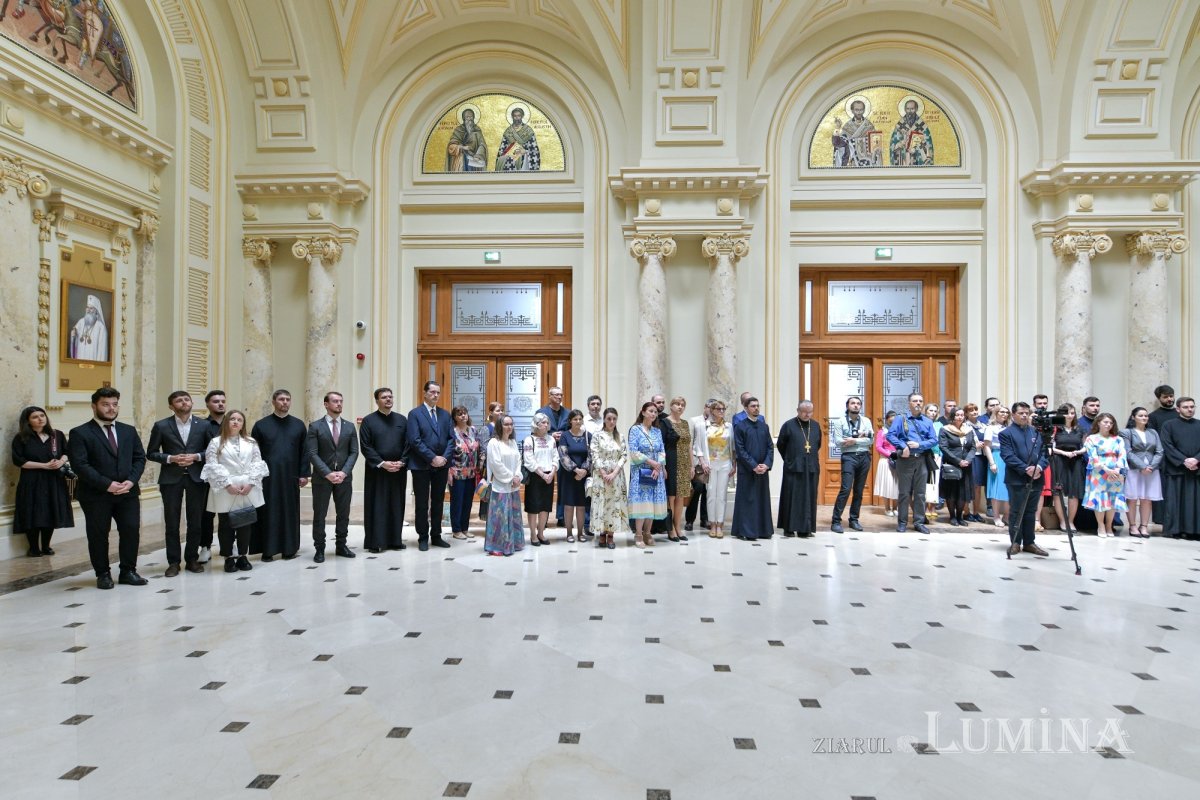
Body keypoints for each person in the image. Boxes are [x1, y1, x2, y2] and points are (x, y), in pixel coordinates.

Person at [67, 387, 147, 589]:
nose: (111, 408)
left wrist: (131, 481)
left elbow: (139, 458)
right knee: (98, 535)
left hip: (127, 492)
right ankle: (102, 573)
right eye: (105, 404)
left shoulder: (128, 430)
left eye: (114, 404)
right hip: (96, 494)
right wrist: (107, 484)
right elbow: (80, 465)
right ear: (94, 406)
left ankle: (128, 571)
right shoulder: (80, 433)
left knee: (130, 530)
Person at [145, 390, 213, 576]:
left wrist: (198, 456)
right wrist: (170, 458)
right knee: (172, 522)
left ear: (191, 402)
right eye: (179, 400)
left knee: (196, 521)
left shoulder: (204, 424)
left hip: (196, 478)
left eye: (186, 399)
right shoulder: (161, 425)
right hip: (171, 479)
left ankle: (191, 559)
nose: (184, 402)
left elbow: (213, 451)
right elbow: (151, 453)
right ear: (171, 406)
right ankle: (173, 562)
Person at [201, 410, 269, 573]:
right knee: (226, 524)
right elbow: (212, 465)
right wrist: (227, 484)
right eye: (232, 419)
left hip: (246, 487)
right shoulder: (216, 442)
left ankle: (242, 556)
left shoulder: (251, 442)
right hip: (226, 488)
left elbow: (257, 464)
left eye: (239, 420)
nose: (236, 422)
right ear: (226, 422)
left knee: (245, 522)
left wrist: (251, 484)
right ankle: (228, 557)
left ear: (243, 424)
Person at [250, 390, 311, 560]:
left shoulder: (298, 425)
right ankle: (268, 550)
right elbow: (255, 453)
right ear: (274, 402)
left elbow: (304, 452)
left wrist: (304, 474)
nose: (285, 402)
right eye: (281, 399)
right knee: (268, 512)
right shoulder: (261, 425)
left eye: (288, 399)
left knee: (290, 512)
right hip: (267, 478)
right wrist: (255, 476)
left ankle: (289, 549)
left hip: (291, 476)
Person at [11, 406, 74, 557]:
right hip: (32, 480)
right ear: (27, 421)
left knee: (50, 510)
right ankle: (33, 547)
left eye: (42, 415)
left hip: (53, 480)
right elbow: (19, 461)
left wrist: (60, 462)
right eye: (35, 417)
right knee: (32, 512)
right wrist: (43, 465)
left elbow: (67, 452)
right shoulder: (21, 438)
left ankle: (46, 545)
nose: (40, 419)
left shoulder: (56, 435)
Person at [306, 392, 359, 562]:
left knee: (343, 513)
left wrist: (344, 472)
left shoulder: (350, 427)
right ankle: (319, 548)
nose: (339, 404)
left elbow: (354, 452)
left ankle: (341, 545)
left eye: (341, 401)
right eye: (335, 401)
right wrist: (328, 474)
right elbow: (312, 454)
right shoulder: (315, 427)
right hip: (322, 479)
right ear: (326, 404)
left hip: (344, 478)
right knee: (320, 514)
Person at [407, 381, 455, 550]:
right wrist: (432, 457)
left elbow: (451, 439)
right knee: (421, 503)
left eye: (438, 392)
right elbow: (414, 440)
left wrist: (443, 458)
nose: (435, 395)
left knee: (438, 502)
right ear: (425, 393)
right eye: (432, 392)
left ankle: (436, 535)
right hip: (421, 465)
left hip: (441, 465)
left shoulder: (445, 414)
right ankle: (422, 537)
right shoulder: (415, 414)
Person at [360, 387, 408, 553]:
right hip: (377, 472)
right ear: (377, 401)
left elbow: (408, 445)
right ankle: (376, 542)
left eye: (390, 396)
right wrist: (382, 463)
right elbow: (365, 447)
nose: (388, 399)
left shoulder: (402, 420)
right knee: (377, 505)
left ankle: (395, 540)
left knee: (396, 504)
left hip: (398, 471)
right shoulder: (368, 421)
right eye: (384, 397)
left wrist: (402, 462)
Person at [999, 402, 1049, 556]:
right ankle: (1015, 542)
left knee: (1030, 511)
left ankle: (1029, 542)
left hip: (1037, 477)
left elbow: (1045, 454)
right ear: (1013, 414)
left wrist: (1039, 468)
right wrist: (1026, 469)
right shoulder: (1006, 433)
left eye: (1027, 413)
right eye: (1021, 413)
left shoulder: (1037, 432)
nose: (1025, 415)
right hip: (1017, 478)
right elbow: (1008, 456)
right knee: (1017, 511)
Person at [886, 393, 937, 534]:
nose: (918, 403)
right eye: (915, 401)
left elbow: (933, 440)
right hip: (905, 460)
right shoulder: (900, 419)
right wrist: (903, 446)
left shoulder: (927, 421)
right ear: (909, 403)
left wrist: (919, 444)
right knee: (904, 493)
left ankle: (919, 522)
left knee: (920, 493)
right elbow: (890, 435)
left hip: (922, 459)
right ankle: (902, 522)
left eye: (920, 401)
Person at [731, 397, 774, 540]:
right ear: (746, 408)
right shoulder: (741, 426)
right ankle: (747, 531)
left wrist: (766, 464)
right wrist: (754, 465)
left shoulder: (764, 426)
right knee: (748, 500)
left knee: (762, 500)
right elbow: (740, 450)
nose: (756, 408)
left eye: (757, 406)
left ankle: (763, 530)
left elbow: (770, 447)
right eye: (753, 406)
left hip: (762, 470)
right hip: (747, 470)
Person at [777, 400, 821, 538]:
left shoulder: (815, 426)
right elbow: (780, 444)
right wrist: (790, 459)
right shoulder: (789, 425)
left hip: (811, 467)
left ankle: (805, 528)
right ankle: (788, 527)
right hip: (793, 467)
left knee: (809, 498)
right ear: (798, 410)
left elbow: (817, 444)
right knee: (791, 497)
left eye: (810, 412)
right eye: (804, 411)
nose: (807, 414)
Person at [484, 415, 525, 556]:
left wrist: (518, 476)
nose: (509, 427)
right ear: (500, 426)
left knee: (513, 516)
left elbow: (519, 460)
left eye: (511, 424)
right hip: (500, 486)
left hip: (513, 486)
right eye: (506, 424)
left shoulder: (513, 442)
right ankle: (498, 546)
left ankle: (514, 543)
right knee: (500, 518)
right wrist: (510, 477)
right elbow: (496, 464)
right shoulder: (493, 443)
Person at [830, 396, 873, 533]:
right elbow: (837, 441)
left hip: (864, 457)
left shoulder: (866, 421)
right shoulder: (840, 422)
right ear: (847, 406)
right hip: (848, 457)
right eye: (853, 403)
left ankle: (854, 519)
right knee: (846, 489)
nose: (855, 405)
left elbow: (871, 440)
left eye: (858, 403)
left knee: (859, 490)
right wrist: (861, 438)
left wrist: (854, 441)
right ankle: (836, 521)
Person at [588, 407, 628, 550]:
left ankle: (611, 534)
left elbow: (624, 456)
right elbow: (594, 455)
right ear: (604, 419)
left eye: (614, 419)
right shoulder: (597, 436)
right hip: (601, 476)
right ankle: (602, 533)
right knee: (602, 504)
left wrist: (614, 473)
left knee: (614, 506)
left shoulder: (620, 436)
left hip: (616, 477)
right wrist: (604, 473)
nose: (611, 421)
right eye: (609, 418)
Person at [628, 402, 667, 547]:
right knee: (642, 503)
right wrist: (651, 462)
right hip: (641, 471)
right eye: (651, 411)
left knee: (653, 503)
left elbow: (662, 450)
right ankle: (638, 534)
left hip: (656, 472)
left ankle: (647, 532)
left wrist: (658, 467)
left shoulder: (657, 431)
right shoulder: (635, 430)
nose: (653, 414)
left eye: (655, 412)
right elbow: (633, 452)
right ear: (643, 412)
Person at [1083, 412, 1128, 537]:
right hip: (1099, 472)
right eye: (1106, 422)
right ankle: (1100, 525)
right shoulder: (1091, 438)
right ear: (1098, 423)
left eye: (1111, 422)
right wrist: (1106, 469)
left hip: (1116, 472)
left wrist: (1118, 470)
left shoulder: (1118, 439)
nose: (1108, 425)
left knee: (1112, 499)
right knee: (1100, 499)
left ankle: (1109, 525)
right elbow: (1093, 457)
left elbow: (1122, 455)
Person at [1161, 397, 1200, 540]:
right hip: (1176, 468)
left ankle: (1194, 530)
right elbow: (1167, 445)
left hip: (1196, 469)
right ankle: (1175, 530)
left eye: (1192, 406)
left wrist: (1197, 459)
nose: (1190, 409)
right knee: (1175, 502)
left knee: (1195, 502)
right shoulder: (1169, 425)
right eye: (1186, 407)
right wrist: (1184, 460)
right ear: (1178, 409)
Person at [1120, 407, 1162, 539]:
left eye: (1146, 416)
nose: (1144, 418)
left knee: (1147, 498)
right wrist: (1142, 466)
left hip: (1151, 469)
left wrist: (1151, 466)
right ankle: (1132, 525)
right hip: (1134, 468)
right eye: (1141, 416)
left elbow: (1159, 451)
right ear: (1133, 417)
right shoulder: (1126, 432)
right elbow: (1128, 451)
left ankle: (1143, 526)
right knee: (1132, 498)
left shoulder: (1153, 432)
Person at [695, 400, 733, 538]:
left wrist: (734, 464)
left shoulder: (729, 426)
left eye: (723, 409)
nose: (721, 411)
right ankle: (712, 524)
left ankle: (720, 524)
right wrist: (702, 462)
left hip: (725, 463)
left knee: (722, 495)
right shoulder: (703, 426)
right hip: (710, 464)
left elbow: (732, 447)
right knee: (711, 494)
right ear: (712, 410)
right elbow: (697, 447)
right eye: (718, 409)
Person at [198, 389, 226, 563]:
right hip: (208, 476)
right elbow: (198, 449)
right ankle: (205, 547)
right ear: (208, 405)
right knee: (206, 514)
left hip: (229, 475)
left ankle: (229, 544)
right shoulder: (201, 426)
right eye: (216, 401)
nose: (220, 404)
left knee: (228, 513)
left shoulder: (233, 423)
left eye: (223, 401)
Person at [1048, 403, 1086, 532]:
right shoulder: (1055, 428)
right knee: (1058, 491)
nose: (1069, 416)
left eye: (1072, 413)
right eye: (1066, 413)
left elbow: (1086, 446)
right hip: (1059, 460)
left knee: (1074, 492)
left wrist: (1078, 452)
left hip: (1076, 461)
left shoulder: (1079, 429)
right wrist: (1064, 453)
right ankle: (1063, 521)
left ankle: (1071, 521)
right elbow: (1051, 446)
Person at [523, 412, 559, 546]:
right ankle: (533, 535)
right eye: (543, 422)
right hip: (535, 476)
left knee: (545, 506)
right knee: (533, 507)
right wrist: (543, 474)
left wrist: (552, 473)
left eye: (547, 422)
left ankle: (541, 533)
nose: (546, 425)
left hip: (550, 476)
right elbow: (529, 460)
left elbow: (556, 457)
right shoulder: (529, 439)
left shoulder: (551, 439)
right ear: (536, 425)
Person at [557, 409, 591, 543]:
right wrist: (576, 470)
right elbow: (563, 455)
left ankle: (581, 533)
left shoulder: (588, 435)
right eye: (575, 419)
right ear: (570, 421)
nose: (578, 421)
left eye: (580, 419)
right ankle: (569, 533)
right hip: (568, 475)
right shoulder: (565, 435)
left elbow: (591, 455)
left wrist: (583, 470)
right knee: (569, 505)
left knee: (582, 506)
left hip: (584, 476)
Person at [538, 387, 570, 527]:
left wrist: (564, 435)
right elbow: (534, 430)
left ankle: (561, 516)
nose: (559, 397)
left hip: (564, 452)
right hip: (546, 451)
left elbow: (572, 429)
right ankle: (542, 519)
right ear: (549, 396)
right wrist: (551, 436)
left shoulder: (568, 413)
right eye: (556, 395)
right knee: (544, 484)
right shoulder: (541, 412)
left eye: (561, 394)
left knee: (564, 485)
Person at [448, 406, 481, 541]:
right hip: (457, 472)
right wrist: (448, 470)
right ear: (454, 417)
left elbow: (479, 449)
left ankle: (465, 528)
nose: (463, 416)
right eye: (459, 414)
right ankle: (456, 529)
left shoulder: (473, 430)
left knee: (468, 502)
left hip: (471, 472)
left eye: (465, 413)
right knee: (457, 501)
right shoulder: (452, 432)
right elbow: (449, 451)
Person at [938, 408, 975, 526]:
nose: (960, 417)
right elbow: (943, 447)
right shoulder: (945, 430)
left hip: (966, 466)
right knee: (952, 492)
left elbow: (973, 447)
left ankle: (960, 516)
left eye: (962, 415)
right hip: (952, 464)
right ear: (953, 416)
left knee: (963, 492)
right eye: (957, 415)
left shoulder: (968, 430)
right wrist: (958, 461)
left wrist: (968, 460)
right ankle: (952, 516)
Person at [664, 396, 693, 542]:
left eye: (682, 404)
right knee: (672, 496)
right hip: (671, 461)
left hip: (684, 463)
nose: (680, 407)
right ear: (671, 406)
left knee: (681, 496)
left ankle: (678, 526)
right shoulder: (665, 422)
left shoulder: (685, 423)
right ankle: (670, 529)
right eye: (677, 404)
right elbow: (662, 445)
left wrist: (691, 465)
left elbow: (689, 445)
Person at [684, 399, 713, 532]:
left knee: (708, 492)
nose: (711, 410)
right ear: (705, 407)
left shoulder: (716, 423)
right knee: (697, 490)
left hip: (712, 462)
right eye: (709, 407)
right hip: (697, 462)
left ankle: (705, 519)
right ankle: (689, 520)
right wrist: (692, 463)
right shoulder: (695, 421)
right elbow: (690, 443)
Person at [476, 402, 504, 522]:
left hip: (503, 464)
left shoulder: (503, 426)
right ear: (491, 413)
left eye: (501, 410)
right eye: (498, 410)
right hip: (490, 467)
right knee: (491, 492)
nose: (501, 412)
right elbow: (484, 448)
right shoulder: (486, 428)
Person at [984, 406, 1011, 529]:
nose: (1004, 414)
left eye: (1006, 412)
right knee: (996, 488)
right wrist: (992, 462)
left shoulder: (1010, 427)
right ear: (996, 413)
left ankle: (1006, 515)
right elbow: (987, 446)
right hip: (997, 456)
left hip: (1009, 458)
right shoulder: (990, 428)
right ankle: (996, 516)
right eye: (1002, 412)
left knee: (1008, 488)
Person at [832, 97, 880, 167]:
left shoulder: (869, 125)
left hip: (868, 162)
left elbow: (875, 143)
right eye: (856, 110)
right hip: (853, 161)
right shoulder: (847, 126)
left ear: (864, 110)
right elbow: (838, 143)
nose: (859, 112)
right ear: (852, 111)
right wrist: (837, 128)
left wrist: (877, 150)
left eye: (861, 110)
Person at [890, 97, 934, 166]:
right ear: (905, 109)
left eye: (912, 109)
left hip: (918, 159)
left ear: (916, 109)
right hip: (904, 160)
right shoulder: (900, 125)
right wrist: (900, 144)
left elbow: (928, 144)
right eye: (908, 109)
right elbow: (893, 144)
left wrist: (916, 149)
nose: (910, 111)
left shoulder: (922, 125)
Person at [494, 105, 540, 171]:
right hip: (509, 154)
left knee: (513, 159)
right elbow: (502, 147)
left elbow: (534, 149)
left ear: (522, 116)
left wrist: (524, 151)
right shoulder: (508, 131)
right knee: (504, 159)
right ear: (512, 117)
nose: (517, 118)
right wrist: (505, 154)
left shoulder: (528, 130)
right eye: (515, 116)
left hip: (523, 155)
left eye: (519, 116)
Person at [963, 403, 987, 521]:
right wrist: (975, 445)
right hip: (971, 457)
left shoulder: (983, 425)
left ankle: (976, 512)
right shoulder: (964, 425)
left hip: (982, 457)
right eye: (971, 410)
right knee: (969, 485)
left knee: (978, 486)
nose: (974, 412)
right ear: (966, 413)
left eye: (976, 409)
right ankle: (966, 511)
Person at [67, 293, 109, 361]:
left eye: (91, 308)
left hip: (94, 362)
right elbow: (75, 342)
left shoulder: (101, 327)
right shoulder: (81, 322)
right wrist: (73, 336)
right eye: (87, 307)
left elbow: (102, 351)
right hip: (80, 358)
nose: (88, 310)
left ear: (96, 311)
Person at [873, 410, 899, 516]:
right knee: (887, 484)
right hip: (886, 460)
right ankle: (887, 508)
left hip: (899, 460)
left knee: (897, 484)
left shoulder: (900, 432)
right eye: (891, 421)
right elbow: (878, 447)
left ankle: (896, 508)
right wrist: (890, 454)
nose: (893, 423)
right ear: (887, 420)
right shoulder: (882, 432)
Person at [446, 107, 487, 171]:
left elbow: (482, 144)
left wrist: (478, 156)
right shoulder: (458, 130)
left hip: (474, 160)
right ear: (463, 118)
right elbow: (451, 147)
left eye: (471, 117)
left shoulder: (477, 130)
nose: (469, 119)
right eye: (467, 117)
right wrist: (462, 147)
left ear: (474, 118)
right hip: (461, 159)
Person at [924, 403, 943, 520]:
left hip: (936, 455)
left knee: (935, 481)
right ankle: (925, 507)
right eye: (930, 410)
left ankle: (933, 507)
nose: (933, 413)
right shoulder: (922, 422)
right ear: (925, 411)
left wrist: (940, 453)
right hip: (925, 454)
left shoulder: (939, 425)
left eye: (935, 411)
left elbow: (942, 441)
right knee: (925, 481)